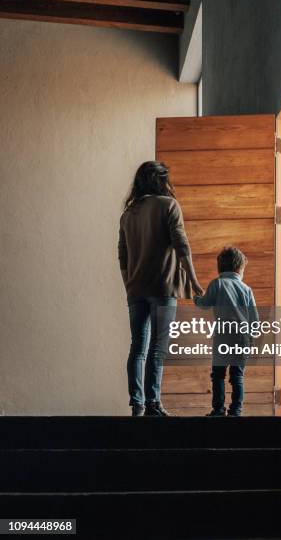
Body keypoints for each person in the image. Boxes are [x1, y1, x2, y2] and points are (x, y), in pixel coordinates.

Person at [118, 161, 203, 417]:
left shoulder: (128, 213)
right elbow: (182, 247)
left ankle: (137, 403)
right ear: (161, 180)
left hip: (136, 289)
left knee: (138, 347)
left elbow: (121, 256)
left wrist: (128, 285)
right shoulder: (169, 206)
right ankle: (154, 402)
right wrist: (195, 282)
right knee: (157, 347)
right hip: (163, 287)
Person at [193, 247, 258, 417]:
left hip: (222, 335)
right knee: (237, 376)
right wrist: (252, 339)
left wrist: (196, 297)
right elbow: (254, 320)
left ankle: (218, 409)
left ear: (220, 267)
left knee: (218, 374)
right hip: (242, 336)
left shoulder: (217, 284)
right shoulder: (246, 289)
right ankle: (236, 411)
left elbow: (204, 304)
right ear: (239, 269)